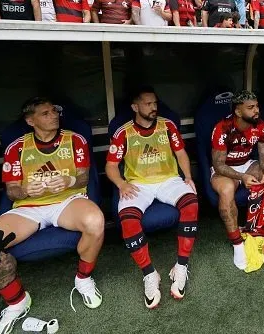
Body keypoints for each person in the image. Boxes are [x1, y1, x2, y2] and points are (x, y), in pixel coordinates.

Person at [0, 97, 105, 334]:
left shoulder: (75, 140)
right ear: (30, 120)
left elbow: (85, 177)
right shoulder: (17, 148)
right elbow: (11, 189)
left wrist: (69, 180)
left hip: (68, 201)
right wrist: (23, 190)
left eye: (54, 110)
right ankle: (17, 301)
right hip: (28, 208)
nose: (54, 115)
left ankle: (83, 279)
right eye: (45, 113)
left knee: (96, 221)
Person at [105, 87, 198, 308]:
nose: (153, 107)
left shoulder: (168, 126)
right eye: (147, 104)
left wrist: (188, 177)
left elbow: (181, 153)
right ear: (135, 107)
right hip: (138, 184)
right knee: (127, 218)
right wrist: (121, 183)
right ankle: (149, 273)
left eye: (155, 103)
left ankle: (181, 266)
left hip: (168, 180)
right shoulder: (123, 132)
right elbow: (110, 165)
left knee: (191, 202)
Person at [210, 90, 264, 270]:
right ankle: (237, 243)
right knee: (227, 191)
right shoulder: (222, 128)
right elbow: (219, 164)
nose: (256, 111)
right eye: (251, 107)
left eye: (257, 106)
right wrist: (242, 177)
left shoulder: (260, 126)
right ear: (238, 111)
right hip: (225, 169)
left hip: (246, 163)